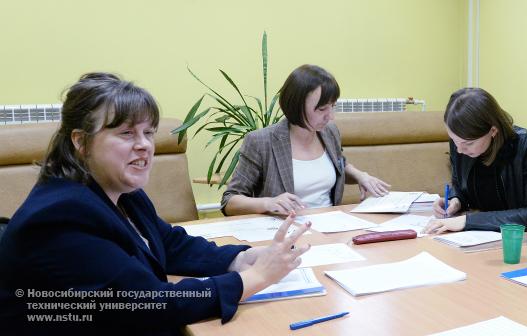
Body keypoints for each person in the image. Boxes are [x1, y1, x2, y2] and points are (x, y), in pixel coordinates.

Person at [0, 73, 311, 334]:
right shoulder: (62, 216)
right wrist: (253, 279)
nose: (144, 145)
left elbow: (169, 243)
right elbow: (150, 303)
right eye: (126, 133)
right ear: (80, 142)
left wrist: (241, 259)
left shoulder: (120, 190)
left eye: (148, 132)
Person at [222, 64, 390, 216]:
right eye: (322, 109)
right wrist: (268, 203)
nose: (330, 116)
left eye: (333, 106)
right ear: (295, 106)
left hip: (331, 226)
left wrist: (361, 176)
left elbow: (339, 163)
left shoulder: (329, 132)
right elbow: (229, 201)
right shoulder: (261, 141)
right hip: (285, 233)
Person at [423, 88, 527, 234]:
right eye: (454, 141)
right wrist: (456, 200)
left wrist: (469, 221)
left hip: (517, 241)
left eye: (468, 144)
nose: (459, 150)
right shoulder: (461, 143)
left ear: (493, 130)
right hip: (475, 238)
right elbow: (460, 186)